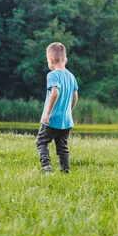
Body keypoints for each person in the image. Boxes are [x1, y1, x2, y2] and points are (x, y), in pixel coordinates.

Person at [36, 42, 79, 173]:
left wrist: (47, 113)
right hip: (66, 121)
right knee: (62, 147)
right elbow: (75, 96)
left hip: (52, 119)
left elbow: (55, 92)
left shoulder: (52, 75)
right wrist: (69, 111)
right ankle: (65, 169)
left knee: (41, 142)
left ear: (50, 60)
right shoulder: (71, 76)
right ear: (65, 60)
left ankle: (46, 166)